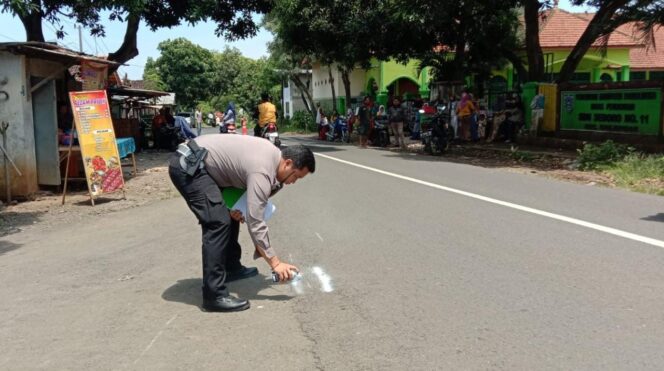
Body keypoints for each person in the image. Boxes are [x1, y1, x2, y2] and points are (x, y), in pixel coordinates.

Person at [169, 135, 315, 312]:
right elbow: (255, 220)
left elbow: (246, 202)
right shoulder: (262, 170)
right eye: (296, 176)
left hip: (205, 167)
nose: (293, 182)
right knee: (217, 222)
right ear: (288, 163)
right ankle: (214, 296)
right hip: (189, 166)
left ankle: (231, 267)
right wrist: (275, 264)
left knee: (227, 215)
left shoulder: (273, 160)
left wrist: (231, 208)